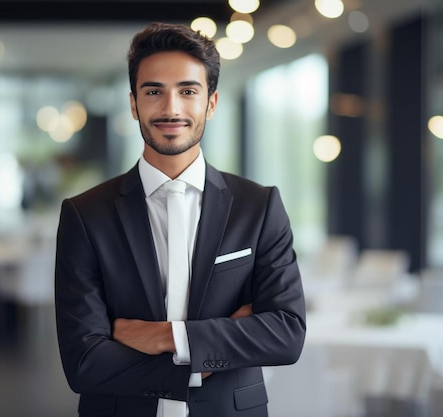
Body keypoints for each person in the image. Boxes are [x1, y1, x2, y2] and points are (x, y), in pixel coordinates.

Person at [55, 22, 306, 417]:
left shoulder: (258, 207)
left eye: (188, 91)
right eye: (153, 91)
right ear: (134, 103)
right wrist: (198, 364)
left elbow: (286, 333)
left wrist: (166, 337)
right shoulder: (85, 215)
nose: (171, 108)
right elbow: (84, 361)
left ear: (211, 102)